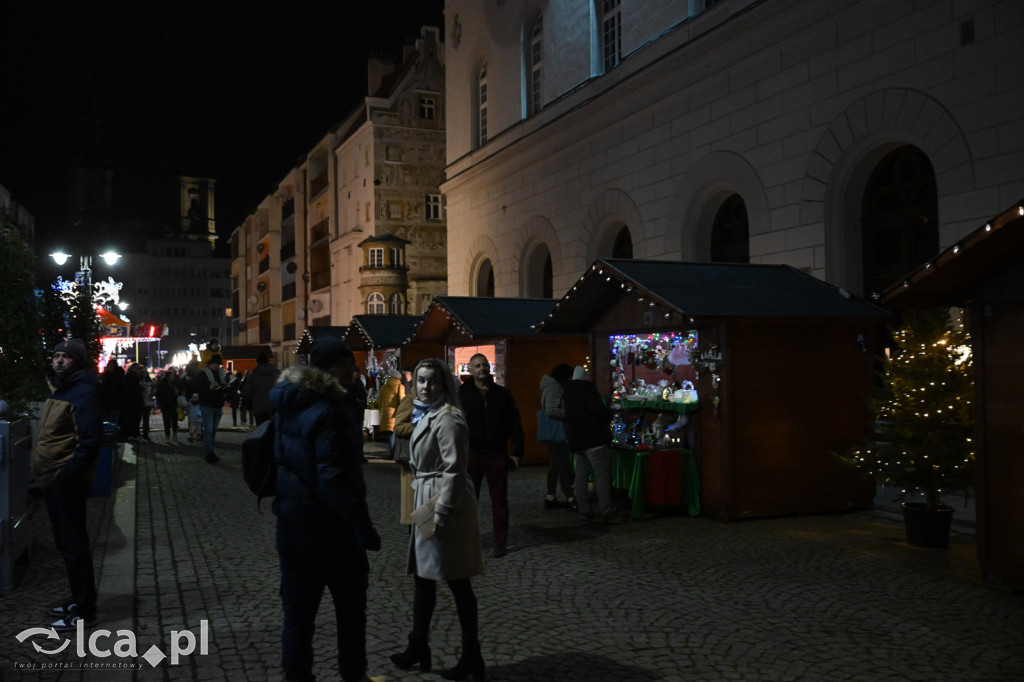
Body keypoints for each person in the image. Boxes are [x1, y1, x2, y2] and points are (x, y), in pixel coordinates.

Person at [270, 337, 383, 682]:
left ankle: (297, 676)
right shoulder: (331, 411)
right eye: (348, 363)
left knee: (298, 612)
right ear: (331, 368)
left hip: (291, 521)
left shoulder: (288, 403)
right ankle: (353, 675)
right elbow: (335, 478)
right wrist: (363, 529)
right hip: (330, 529)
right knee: (350, 608)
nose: (353, 369)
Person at [390, 358, 485, 681]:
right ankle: (418, 645)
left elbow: (455, 470)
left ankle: (472, 655)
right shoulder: (427, 413)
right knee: (423, 575)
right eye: (420, 381)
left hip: (444, 500)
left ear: (444, 384)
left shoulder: (448, 419)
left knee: (456, 579)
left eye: (432, 381)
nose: (426, 387)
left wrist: (443, 512)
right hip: (427, 496)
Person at [30, 339, 102, 632]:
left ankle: (85, 610)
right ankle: (79, 600)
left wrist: (67, 474)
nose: (59, 360)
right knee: (66, 544)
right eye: (56, 356)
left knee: (74, 546)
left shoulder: (82, 391)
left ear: (78, 362)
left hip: (64, 480)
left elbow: (89, 440)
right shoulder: (63, 388)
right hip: (53, 478)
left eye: (66, 357)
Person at [457, 353, 524, 558]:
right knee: (468, 500)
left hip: (497, 453)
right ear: (470, 370)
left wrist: (517, 453)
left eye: (485, 365)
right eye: (477, 365)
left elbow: (515, 424)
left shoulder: (502, 394)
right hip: (472, 453)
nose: (482, 368)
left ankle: (500, 542)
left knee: (499, 500)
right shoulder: (462, 394)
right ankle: (467, 540)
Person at [564, 366, 628, 524]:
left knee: (581, 476)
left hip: (577, 441)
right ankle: (606, 510)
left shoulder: (568, 394)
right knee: (602, 475)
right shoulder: (588, 392)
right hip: (594, 440)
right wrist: (611, 413)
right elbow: (599, 413)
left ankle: (584, 510)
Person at [539, 363, 577, 511]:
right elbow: (551, 410)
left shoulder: (551, 386)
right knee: (562, 465)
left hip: (553, 431)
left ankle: (550, 497)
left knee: (555, 465)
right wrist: (571, 415)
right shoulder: (554, 387)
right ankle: (570, 498)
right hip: (557, 431)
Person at [191, 355, 227, 462]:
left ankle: (210, 452)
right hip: (207, 405)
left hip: (218, 405)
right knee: (209, 431)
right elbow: (195, 387)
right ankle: (209, 453)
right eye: (214, 363)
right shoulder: (203, 374)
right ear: (210, 364)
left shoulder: (221, 374)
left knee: (213, 431)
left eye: (218, 364)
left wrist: (224, 389)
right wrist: (208, 387)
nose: (217, 365)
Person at [242, 351, 279, 426]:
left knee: (262, 431)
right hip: (274, 407)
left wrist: (244, 408)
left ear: (257, 362)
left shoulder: (254, 376)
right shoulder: (277, 373)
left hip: (259, 408)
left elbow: (247, 392)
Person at [377, 368, 406, 440]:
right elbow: (402, 400)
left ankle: (392, 451)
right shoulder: (400, 386)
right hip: (395, 415)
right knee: (395, 436)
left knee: (390, 436)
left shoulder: (383, 387)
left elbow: (379, 401)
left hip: (385, 414)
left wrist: (382, 412)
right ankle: (394, 451)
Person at [155, 369, 180, 442]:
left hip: (173, 404)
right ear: (168, 376)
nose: (173, 377)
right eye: (172, 376)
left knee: (174, 420)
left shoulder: (173, 383)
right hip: (165, 404)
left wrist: (177, 392)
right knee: (167, 421)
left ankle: (174, 434)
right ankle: (168, 436)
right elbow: (160, 394)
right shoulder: (163, 384)